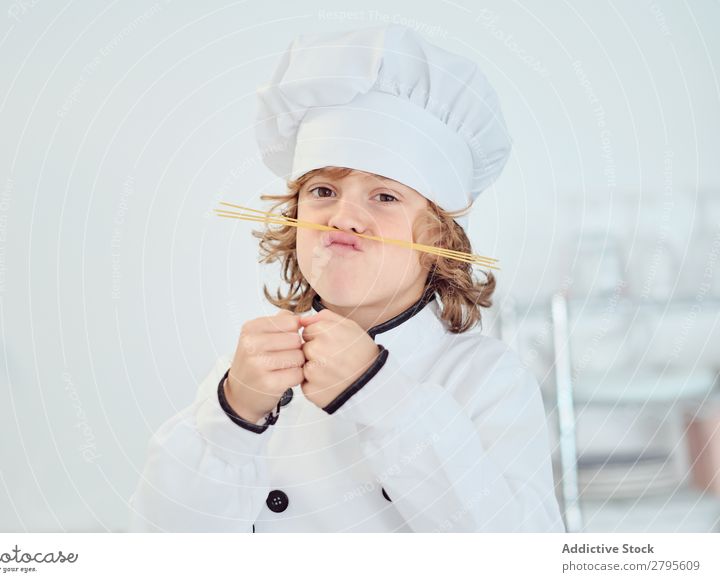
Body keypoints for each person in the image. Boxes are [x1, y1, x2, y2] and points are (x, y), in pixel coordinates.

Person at [128, 23, 565, 533]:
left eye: (384, 196)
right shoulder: (249, 368)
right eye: (322, 191)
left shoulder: (485, 378)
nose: (343, 218)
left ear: (440, 239)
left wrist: (378, 391)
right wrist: (233, 416)